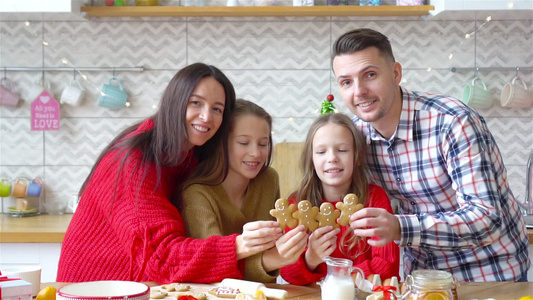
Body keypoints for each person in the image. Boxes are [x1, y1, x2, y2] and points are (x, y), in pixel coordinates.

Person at [331, 28, 530, 282]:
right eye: (346, 82)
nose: (359, 92)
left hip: (490, 275)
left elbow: (486, 217)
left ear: (395, 74)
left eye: (369, 75)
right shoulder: (355, 137)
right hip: (420, 279)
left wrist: (400, 227)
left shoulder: (453, 122)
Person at [57, 63, 281, 283]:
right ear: (175, 102)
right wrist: (238, 245)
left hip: (141, 288)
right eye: (196, 103)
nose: (206, 117)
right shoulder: (134, 162)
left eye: (217, 109)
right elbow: (162, 258)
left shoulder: (191, 155)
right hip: (94, 289)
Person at [181, 99, 309, 283]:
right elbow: (211, 268)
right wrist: (272, 260)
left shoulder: (268, 180)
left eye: (263, 144)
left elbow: (273, 246)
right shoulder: (196, 194)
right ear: (221, 143)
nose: (256, 153)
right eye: (243, 142)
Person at [280, 113, 400, 285]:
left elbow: (387, 266)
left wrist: (336, 280)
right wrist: (310, 258)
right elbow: (288, 274)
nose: (332, 158)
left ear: (357, 157)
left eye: (342, 150)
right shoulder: (298, 206)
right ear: (311, 160)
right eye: (321, 152)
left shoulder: (374, 200)